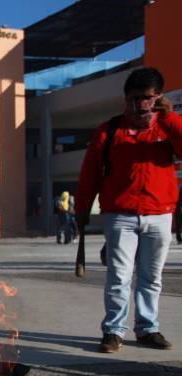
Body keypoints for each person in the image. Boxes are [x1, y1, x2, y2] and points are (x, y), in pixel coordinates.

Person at [75, 67, 181, 354]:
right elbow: (90, 174)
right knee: (119, 276)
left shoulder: (168, 127)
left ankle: (148, 328)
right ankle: (113, 330)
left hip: (159, 214)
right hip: (120, 214)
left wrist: (170, 117)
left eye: (146, 98)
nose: (139, 105)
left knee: (151, 276)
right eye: (133, 98)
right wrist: (81, 209)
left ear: (158, 98)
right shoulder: (109, 131)